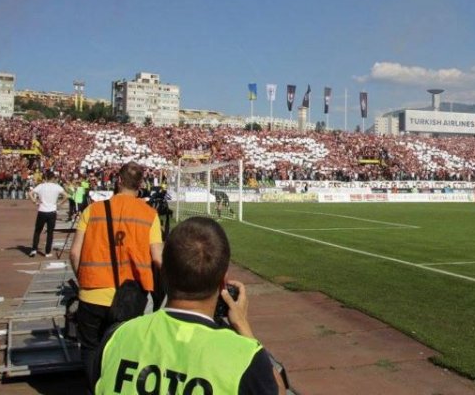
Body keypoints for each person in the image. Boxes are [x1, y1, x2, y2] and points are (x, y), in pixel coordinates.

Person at [91, 216, 285, 394]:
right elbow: (277, 389)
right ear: (223, 282)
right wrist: (243, 326)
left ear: (163, 274)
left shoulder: (117, 337)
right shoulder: (245, 357)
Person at [70, 162, 163, 387]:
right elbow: (159, 259)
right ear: (140, 185)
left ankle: (96, 388)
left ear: (118, 181)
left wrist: (85, 279)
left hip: (92, 293)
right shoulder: (149, 215)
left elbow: (74, 253)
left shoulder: (92, 210)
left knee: (91, 347)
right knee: (128, 350)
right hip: (131, 299)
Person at [28, 170, 68, 257]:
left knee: (37, 231)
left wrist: (34, 201)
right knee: (50, 232)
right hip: (52, 211)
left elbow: (30, 193)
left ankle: (34, 249)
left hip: (42, 210)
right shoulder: (57, 186)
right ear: (53, 178)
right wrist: (59, 204)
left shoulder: (41, 186)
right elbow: (66, 196)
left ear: (46, 178)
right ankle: (47, 252)